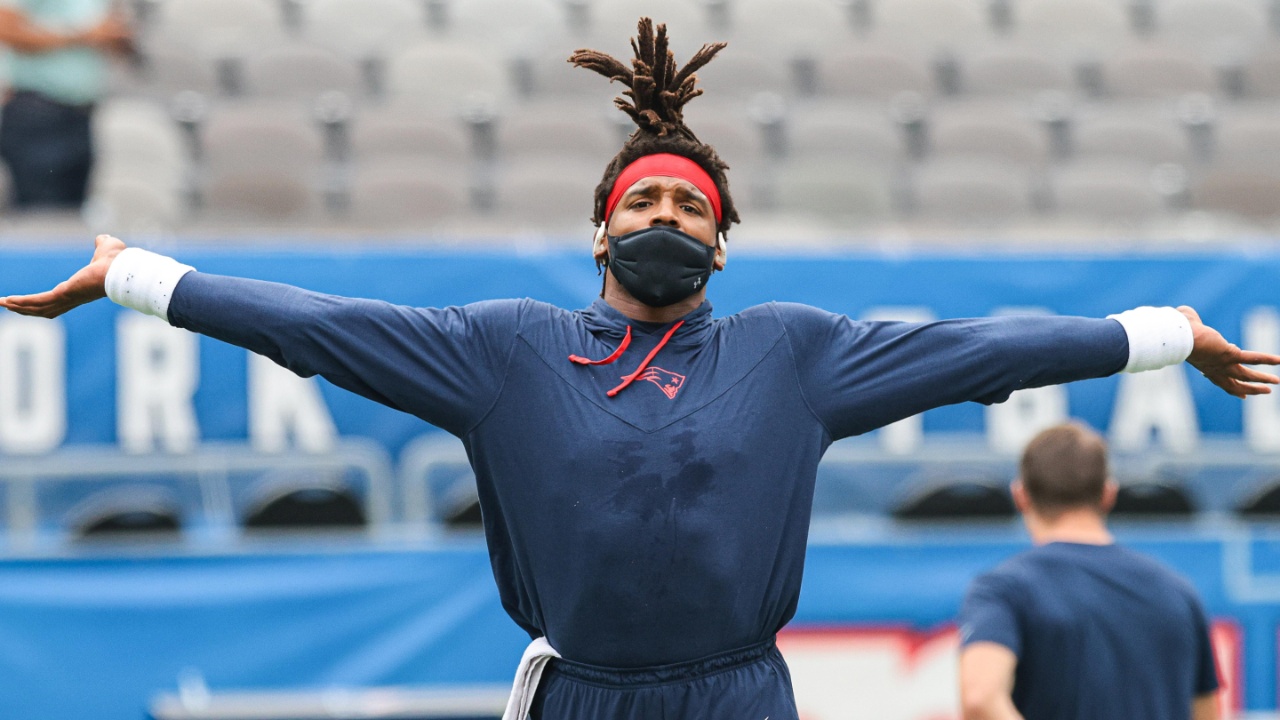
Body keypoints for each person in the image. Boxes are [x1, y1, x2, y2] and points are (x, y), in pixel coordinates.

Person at [0, 19, 1273, 720]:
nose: (665, 210)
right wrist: (135, 275)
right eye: (642, 195)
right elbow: (317, 324)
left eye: (689, 200)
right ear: (599, 226)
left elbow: (985, 351)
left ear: (722, 236)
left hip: (737, 699)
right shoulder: (503, 349)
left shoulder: (794, 354)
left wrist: (1166, 328)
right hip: (581, 700)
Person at [957, 422, 1220, 720]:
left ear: (1020, 496)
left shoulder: (1004, 590)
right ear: (1108, 494)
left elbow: (980, 699)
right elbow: (1208, 713)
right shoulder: (1178, 592)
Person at [0, 0, 134, 209]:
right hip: (38, 114)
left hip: (82, 116)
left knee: (71, 216)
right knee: (42, 216)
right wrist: (83, 36)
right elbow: (6, 28)